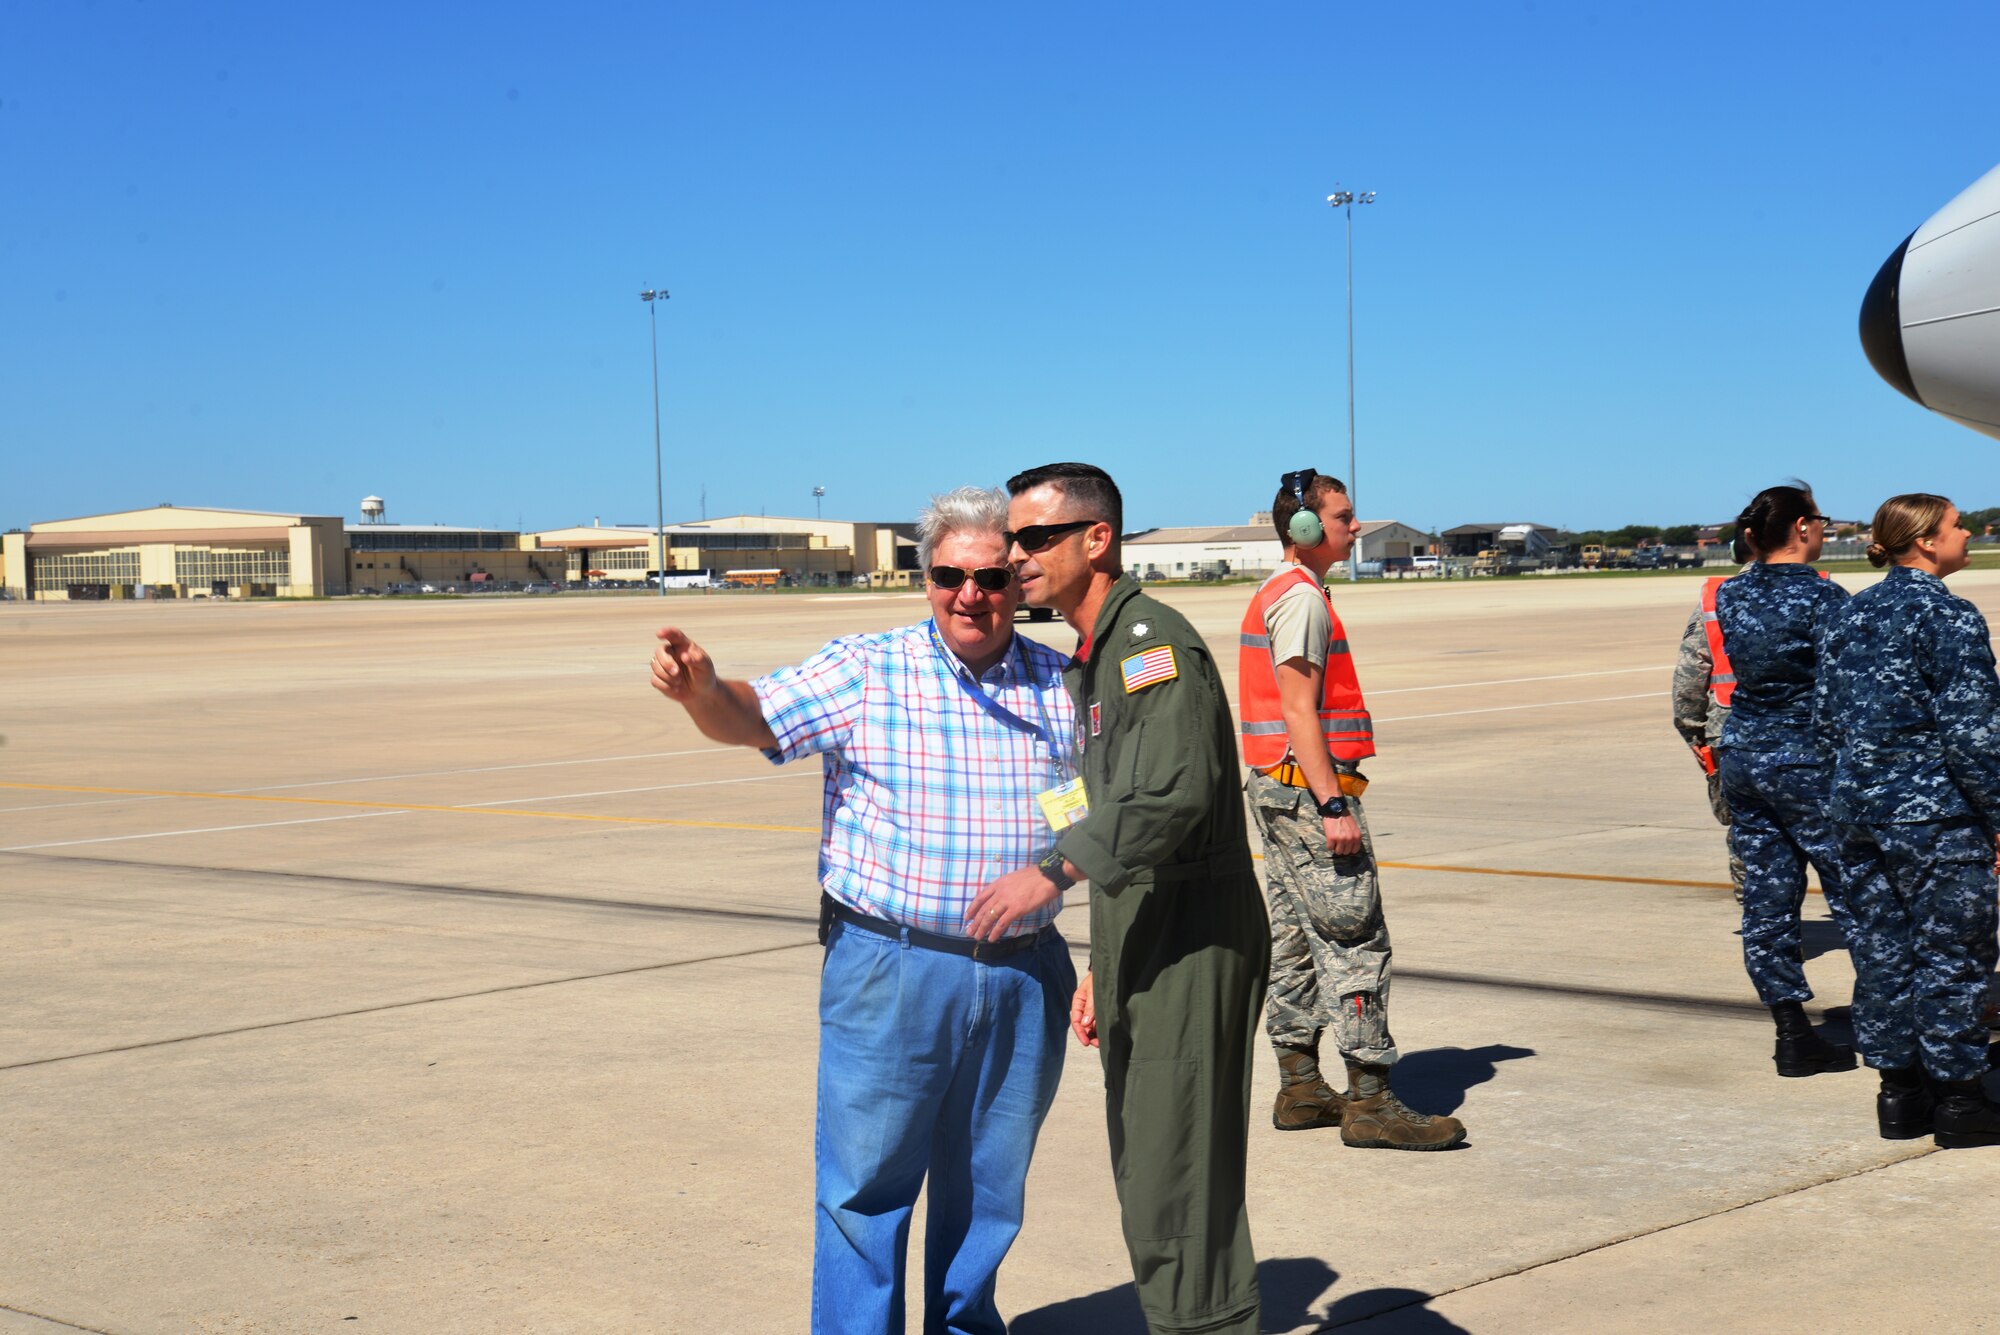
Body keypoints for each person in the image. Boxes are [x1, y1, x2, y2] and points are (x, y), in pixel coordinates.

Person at [649, 485, 1078, 1334]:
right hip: (893, 969)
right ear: (926, 579)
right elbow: (753, 715)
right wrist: (702, 690)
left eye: (992, 578)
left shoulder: (1062, 684)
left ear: (1015, 583)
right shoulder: (867, 668)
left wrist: (1058, 875)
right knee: (865, 1193)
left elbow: (1091, 811)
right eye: (952, 575)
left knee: (989, 1192)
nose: (972, 595)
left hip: (1027, 977)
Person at [966, 462, 1267, 1335]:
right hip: (1144, 931)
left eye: (1036, 538)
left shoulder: (1149, 649)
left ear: (1097, 539)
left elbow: (1170, 797)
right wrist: (1103, 955)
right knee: (1150, 1161)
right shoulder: (1095, 660)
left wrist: (1051, 873)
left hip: (1192, 935)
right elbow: (1106, 798)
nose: (1016, 556)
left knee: (1181, 1172)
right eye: (1013, 538)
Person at [1236, 469, 1465, 1150]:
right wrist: (1333, 803)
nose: (1354, 526)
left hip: (1277, 791)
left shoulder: (1275, 592)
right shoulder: (1301, 599)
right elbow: (1299, 709)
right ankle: (1370, 1101)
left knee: (1297, 940)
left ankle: (1301, 1084)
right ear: (1305, 529)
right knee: (1355, 939)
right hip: (1310, 794)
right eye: (1343, 516)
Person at [1819, 494, 2000, 1146]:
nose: (1969, 532)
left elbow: (1826, 722)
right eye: (1957, 525)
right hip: (1934, 819)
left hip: (1856, 816)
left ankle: (1899, 1093)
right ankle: (1959, 1101)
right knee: (1953, 956)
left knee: (1881, 954)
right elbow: (1974, 733)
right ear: (1925, 541)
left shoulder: (1847, 614)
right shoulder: (1947, 615)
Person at [1711, 483, 1861, 1077]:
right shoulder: (1826, 600)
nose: (1824, 529)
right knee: (1858, 889)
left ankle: (1792, 1034)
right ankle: (1885, 1029)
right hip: (1808, 761)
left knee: (1769, 901)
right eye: (1819, 520)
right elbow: (1846, 689)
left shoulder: (1730, 595)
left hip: (1745, 755)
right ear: (1802, 529)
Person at [1671, 548, 1752, 904]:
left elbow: (1689, 678)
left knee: (1745, 828)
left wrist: (1693, 733)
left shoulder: (1717, 598)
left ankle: (1761, 922)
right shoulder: (1825, 592)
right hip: (1806, 736)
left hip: (1729, 730)